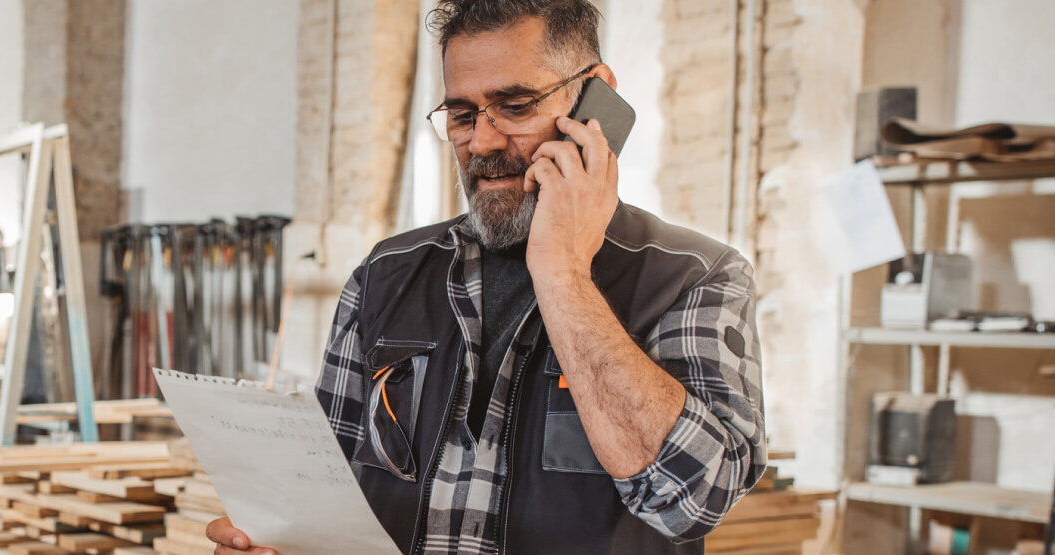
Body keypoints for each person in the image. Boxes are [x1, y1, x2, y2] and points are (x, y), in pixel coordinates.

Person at [207, 0, 766, 553]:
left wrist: (564, 275)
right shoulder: (385, 275)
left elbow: (695, 498)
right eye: (461, 115)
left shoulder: (693, 277)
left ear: (597, 97)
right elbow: (327, 505)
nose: (482, 142)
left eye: (515, 105)